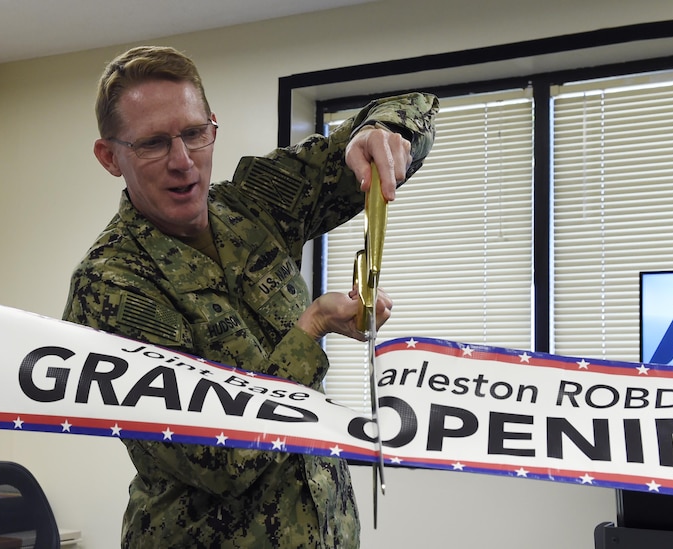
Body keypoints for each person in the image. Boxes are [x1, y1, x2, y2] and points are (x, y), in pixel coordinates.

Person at [63, 45, 438, 548]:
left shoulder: (256, 203)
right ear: (110, 157)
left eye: (195, 134)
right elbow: (221, 459)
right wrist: (313, 329)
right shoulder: (110, 285)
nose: (183, 161)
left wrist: (377, 134)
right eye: (153, 143)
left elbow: (412, 109)